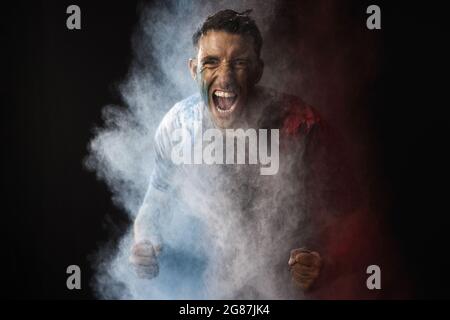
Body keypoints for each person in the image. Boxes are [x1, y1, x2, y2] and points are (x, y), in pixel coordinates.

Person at [130, 9, 387, 299]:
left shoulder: (302, 126)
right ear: (194, 69)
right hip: (206, 294)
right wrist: (145, 241)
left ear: (257, 71)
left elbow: (355, 220)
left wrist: (327, 265)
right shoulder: (177, 126)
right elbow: (156, 196)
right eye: (211, 62)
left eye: (239, 63)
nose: (225, 78)